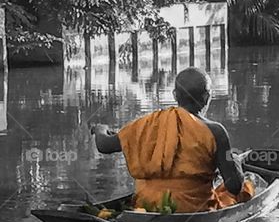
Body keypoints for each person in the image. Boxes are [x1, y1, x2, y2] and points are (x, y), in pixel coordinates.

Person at [91, 67, 254, 213]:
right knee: (246, 188)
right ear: (206, 97)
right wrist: (235, 161)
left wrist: (100, 129)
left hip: (145, 205)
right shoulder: (215, 131)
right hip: (193, 208)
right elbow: (234, 186)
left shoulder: (146, 124)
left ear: (175, 95)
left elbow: (104, 145)